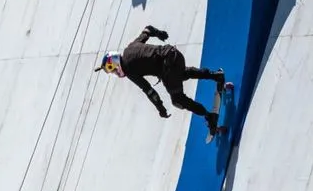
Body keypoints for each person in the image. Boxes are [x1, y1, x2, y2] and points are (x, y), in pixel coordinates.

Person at [95, 25, 226, 132]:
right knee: (183, 73)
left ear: (116, 64)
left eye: (112, 70)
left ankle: (209, 117)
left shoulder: (129, 70)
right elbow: (148, 29)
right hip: (174, 53)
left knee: (178, 100)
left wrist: (160, 108)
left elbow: (149, 91)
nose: (115, 73)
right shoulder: (131, 47)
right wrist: (159, 33)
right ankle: (216, 76)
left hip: (168, 68)